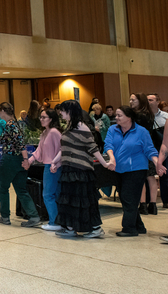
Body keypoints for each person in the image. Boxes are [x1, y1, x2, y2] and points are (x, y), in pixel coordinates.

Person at [51, 100, 111, 239]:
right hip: (69, 169)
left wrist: (104, 163)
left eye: (63, 110)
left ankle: (95, 228)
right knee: (71, 200)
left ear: (70, 111)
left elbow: (93, 147)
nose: (61, 113)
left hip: (80, 170)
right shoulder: (69, 126)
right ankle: (71, 227)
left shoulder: (81, 126)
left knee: (83, 200)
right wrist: (55, 162)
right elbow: (65, 148)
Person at [104, 106, 165, 237]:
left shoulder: (141, 131)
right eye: (116, 115)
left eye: (120, 115)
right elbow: (108, 145)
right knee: (126, 199)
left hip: (136, 169)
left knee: (128, 198)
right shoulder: (112, 129)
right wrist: (112, 158)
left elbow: (150, 149)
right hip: (119, 169)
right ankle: (139, 226)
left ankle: (129, 228)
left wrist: (157, 163)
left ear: (129, 117)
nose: (116, 118)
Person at [0, 102, 41, 227]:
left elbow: (20, 143)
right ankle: (33, 216)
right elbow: (4, 139)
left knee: (3, 188)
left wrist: (26, 159)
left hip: (10, 160)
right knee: (21, 189)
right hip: (19, 161)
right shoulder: (14, 124)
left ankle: (5, 216)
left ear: (2, 111)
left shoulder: (10, 125)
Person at [23, 108, 63, 231]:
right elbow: (39, 151)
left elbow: (62, 149)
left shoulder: (54, 132)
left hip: (54, 167)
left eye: (44, 117)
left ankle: (54, 222)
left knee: (48, 195)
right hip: (48, 166)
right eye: (40, 117)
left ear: (51, 119)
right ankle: (57, 221)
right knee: (53, 194)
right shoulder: (45, 133)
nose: (41, 119)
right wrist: (29, 161)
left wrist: (55, 162)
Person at [130, 93, 158, 215]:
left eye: (133, 100)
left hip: (139, 149)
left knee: (140, 177)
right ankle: (153, 205)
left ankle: (142, 205)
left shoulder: (137, 115)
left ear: (139, 101)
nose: (130, 102)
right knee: (151, 177)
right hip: (150, 147)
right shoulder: (150, 114)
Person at [147, 93, 168, 209]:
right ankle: (149, 202)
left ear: (157, 101)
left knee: (165, 174)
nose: (149, 102)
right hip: (149, 149)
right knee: (149, 175)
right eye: (147, 100)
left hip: (161, 147)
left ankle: (166, 200)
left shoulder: (165, 116)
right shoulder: (143, 117)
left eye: (151, 100)